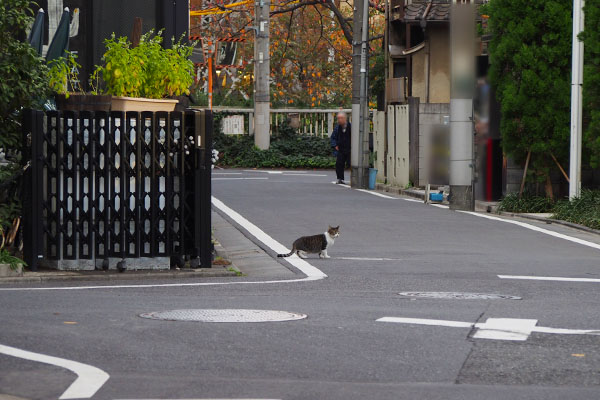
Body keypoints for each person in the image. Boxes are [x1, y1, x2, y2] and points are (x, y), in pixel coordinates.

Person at [330, 112, 351, 184]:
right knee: (339, 164)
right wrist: (335, 145)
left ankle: (354, 178)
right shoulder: (337, 127)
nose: (339, 120)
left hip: (350, 149)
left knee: (351, 163)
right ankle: (340, 178)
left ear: (345, 118)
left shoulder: (350, 126)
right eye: (338, 118)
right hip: (340, 149)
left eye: (341, 118)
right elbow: (333, 137)